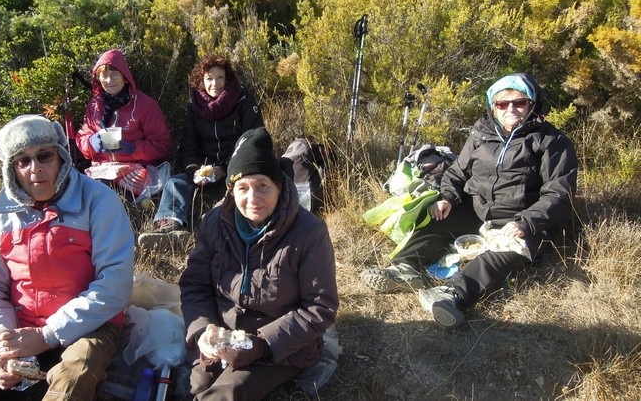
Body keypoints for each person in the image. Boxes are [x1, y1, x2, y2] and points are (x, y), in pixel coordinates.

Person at [0, 115, 135, 400]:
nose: (35, 169)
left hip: (90, 325)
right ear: (10, 170)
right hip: (18, 325)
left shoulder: (99, 200)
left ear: (62, 157)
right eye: (22, 161)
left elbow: (114, 285)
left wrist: (46, 336)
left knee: (72, 380)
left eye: (44, 156)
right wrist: (0, 344)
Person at [360, 73, 578, 328]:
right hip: (479, 209)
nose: (510, 109)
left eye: (519, 102)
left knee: (498, 255)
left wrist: (526, 222)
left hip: (522, 219)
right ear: (493, 108)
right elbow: (458, 171)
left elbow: (559, 193)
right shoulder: (482, 132)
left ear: (533, 104)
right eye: (502, 104)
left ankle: (453, 296)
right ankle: (404, 269)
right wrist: (447, 198)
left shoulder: (553, 142)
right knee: (437, 219)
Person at [179, 127, 339, 400]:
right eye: (242, 187)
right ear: (231, 190)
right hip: (222, 334)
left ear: (279, 186)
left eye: (262, 186)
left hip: (281, 345)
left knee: (225, 395)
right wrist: (202, 332)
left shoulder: (309, 232)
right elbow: (195, 284)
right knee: (190, 388)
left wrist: (262, 344)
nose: (252, 199)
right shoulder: (215, 222)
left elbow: (319, 307)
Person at [137, 54, 263, 251]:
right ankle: (169, 226)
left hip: (236, 166)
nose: (215, 84)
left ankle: (218, 228)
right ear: (201, 81)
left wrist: (224, 168)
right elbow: (188, 147)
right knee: (175, 183)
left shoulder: (243, 99)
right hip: (204, 169)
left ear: (227, 78)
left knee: (239, 188)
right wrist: (195, 170)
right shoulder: (194, 105)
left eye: (220, 77)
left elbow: (252, 139)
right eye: (209, 78)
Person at [75, 49, 171, 201]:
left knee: (99, 193)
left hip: (135, 169)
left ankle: (125, 202)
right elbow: (83, 135)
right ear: (98, 79)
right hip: (101, 168)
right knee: (89, 188)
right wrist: (92, 143)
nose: (108, 80)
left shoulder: (145, 105)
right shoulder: (94, 106)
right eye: (104, 75)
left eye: (114, 74)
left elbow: (161, 145)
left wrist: (132, 149)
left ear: (125, 77)